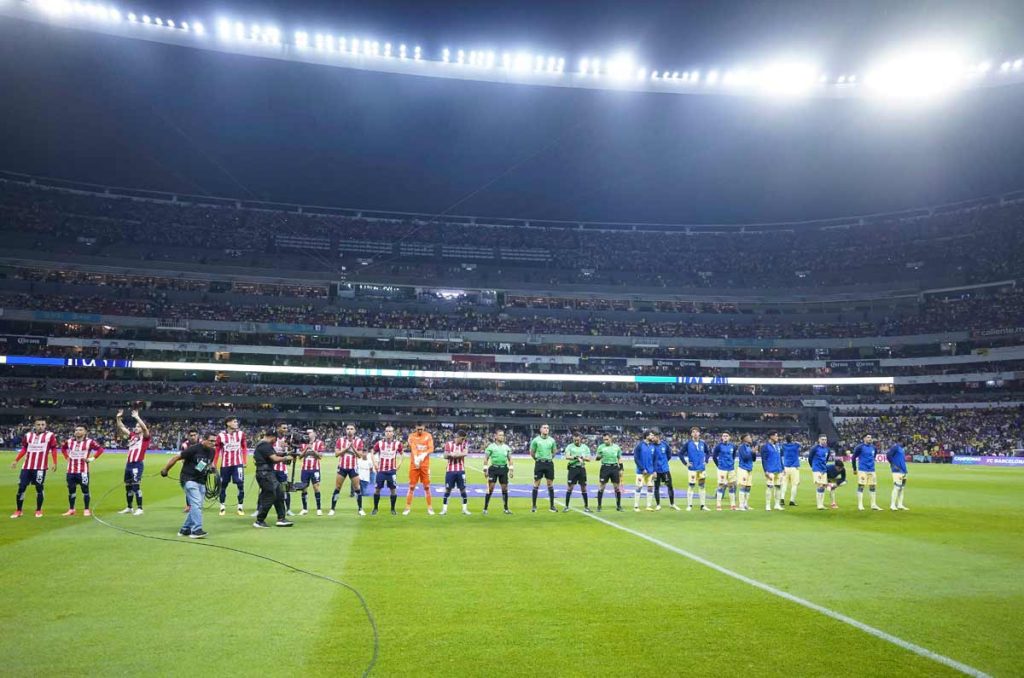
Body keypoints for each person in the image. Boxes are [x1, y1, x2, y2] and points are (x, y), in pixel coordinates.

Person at [160, 431, 217, 539]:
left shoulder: (212, 451)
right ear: (204, 439)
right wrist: (165, 470)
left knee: (197, 505)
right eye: (211, 441)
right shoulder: (194, 449)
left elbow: (206, 464)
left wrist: (212, 468)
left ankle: (185, 529)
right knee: (196, 503)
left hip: (201, 481)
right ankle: (196, 530)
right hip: (188, 479)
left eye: (215, 441)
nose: (213, 443)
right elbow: (176, 458)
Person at [10, 418, 58, 519]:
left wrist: (54, 462)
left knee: (39, 488)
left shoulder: (50, 435)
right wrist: (16, 460)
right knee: (21, 488)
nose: (40, 426)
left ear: (45, 425)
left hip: (40, 467)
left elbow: (53, 449)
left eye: (42, 424)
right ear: (35, 425)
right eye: (38, 424)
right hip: (27, 467)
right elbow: (24, 448)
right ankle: (19, 510)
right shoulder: (28, 435)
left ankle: (38, 510)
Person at [251, 430, 295, 528]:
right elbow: (274, 458)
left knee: (279, 493)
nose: (275, 442)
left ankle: (281, 518)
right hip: (265, 474)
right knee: (270, 495)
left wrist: (283, 455)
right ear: (272, 437)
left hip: (267, 473)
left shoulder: (263, 445)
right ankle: (259, 520)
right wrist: (286, 458)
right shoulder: (264, 445)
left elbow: (272, 458)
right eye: (275, 439)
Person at [61, 425, 104, 517]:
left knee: (85, 490)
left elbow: (100, 449)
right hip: (70, 471)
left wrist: (92, 459)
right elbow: (63, 448)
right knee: (71, 490)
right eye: (76, 430)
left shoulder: (90, 442)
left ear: (85, 432)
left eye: (80, 430)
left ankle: (86, 509)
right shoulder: (69, 441)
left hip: (83, 471)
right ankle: (71, 509)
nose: (78, 431)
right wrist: (66, 457)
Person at [115, 409, 150, 515]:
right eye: (136, 426)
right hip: (129, 465)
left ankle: (140, 508)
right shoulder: (132, 436)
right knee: (128, 486)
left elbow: (144, 428)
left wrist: (137, 417)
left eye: (138, 426)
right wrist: (118, 417)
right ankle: (129, 507)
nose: (137, 427)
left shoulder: (145, 438)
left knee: (136, 486)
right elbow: (121, 427)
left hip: (137, 464)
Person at [215, 417, 248, 517]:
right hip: (225, 465)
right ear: (228, 423)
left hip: (238, 464)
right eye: (234, 421)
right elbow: (217, 450)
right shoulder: (221, 436)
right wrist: (214, 463)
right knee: (223, 486)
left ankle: (240, 507)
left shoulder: (241, 434)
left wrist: (245, 461)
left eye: (236, 421)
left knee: (240, 486)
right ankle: (222, 507)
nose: (236, 423)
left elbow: (244, 447)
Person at [332, 424, 365, 515]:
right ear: (345, 430)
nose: (349, 430)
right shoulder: (340, 440)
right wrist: (346, 449)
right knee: (338, 487)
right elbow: (336, 454)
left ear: (355, 431)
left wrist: (353, 448)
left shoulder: (359, 441)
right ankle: (332, 509)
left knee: (357, 488)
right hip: (342, 467)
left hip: (353, 467)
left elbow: (360, 455)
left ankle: (360, 509)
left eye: (351, 429)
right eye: (348, 429)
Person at [371, 425, 404, 516]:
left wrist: (399, 463)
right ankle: (375, 508)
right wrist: (374, 463)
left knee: (393, 490)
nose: (388, 433)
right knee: (377, 489)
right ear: (384, 433)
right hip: (381, 471)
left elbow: (402, 453)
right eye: (387, 431)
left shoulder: (397, 444)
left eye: (390, 431)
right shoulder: (379, 443)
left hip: (391, 471)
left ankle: (393, 509)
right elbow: (372, 452)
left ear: (393, 433)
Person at [404, 423, 434, 516]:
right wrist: (416, 457)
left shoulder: (428, 436)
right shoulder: (411, 436)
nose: (420, 431)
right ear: (415, 428)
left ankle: (430, 508)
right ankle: (407, 508)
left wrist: (424, 454)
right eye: (418, 429)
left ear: (424, 428)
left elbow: (431, 448)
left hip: (425, 466)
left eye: (421, 429)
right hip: (414, 465)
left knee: (427, 487)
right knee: (412, 487)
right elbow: (413, 448)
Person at [482, 429, 514, 515]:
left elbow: (510, 459)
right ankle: (485, 508)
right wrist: (485, 469)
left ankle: (506, 509)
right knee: (491, 488)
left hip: (503, 469)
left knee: (504, 488)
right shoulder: (491, 446)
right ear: (495, 436)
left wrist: (511, 470)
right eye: (500, 435)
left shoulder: (506, 447)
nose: (502, 437)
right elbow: (486, 458)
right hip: (494, 469)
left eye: (503, 435)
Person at [441, 429, 471, 515]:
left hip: (461, 470)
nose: (464, 441)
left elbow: (465, 453)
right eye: (462, 439)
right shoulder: (448, 444)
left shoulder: (464, 444)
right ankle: (444, 510)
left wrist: (455, 454)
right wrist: (451, 454)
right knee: (447, 490)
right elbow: (445, 456)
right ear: (457, 437)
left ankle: (464, 509)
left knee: (463, 489)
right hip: (450, 470)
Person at [529, 424, 557, 513]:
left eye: (548, 428)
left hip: (549, 464)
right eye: (544, 428)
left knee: (550, 484)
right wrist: (537, 459)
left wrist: (549, 458)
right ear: (540, 430)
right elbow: (532, 452)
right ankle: (534, 506)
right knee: (536, 483)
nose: (546, 429)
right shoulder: (536, 440)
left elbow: (554, 452)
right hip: (539, 463)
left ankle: (552, 506)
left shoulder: (552, 440)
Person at [852, 434, 883, 511]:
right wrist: (854, 469)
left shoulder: (874, 448)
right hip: (862, 469)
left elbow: (874, 457)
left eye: (871, 437)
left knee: (872, 486)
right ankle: (860, 505)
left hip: (871, 470)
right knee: (861, 486)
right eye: (868, 437)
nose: (870, 439)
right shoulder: (860, 447)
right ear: (864, 438)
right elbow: (853, 457)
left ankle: (873, 505)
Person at [562, 431, 592, 512]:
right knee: (570, 488)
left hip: (581, 469)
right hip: (573, 469)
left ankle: (586, 507)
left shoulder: (585, 447)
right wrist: (576, 457)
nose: (576, 442)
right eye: (575, 440)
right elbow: (567, 456)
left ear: (581, 439)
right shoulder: (570, 446)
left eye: (578, 440)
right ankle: (566, 506)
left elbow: (589, 459)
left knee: (583, 488)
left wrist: (582, 458)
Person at [682, 427, 709, 511]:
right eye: (693, 432)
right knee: (691, 485)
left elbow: (708, 452)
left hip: (701, 469)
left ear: (699, 433)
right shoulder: (688, 443)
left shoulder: (703, 443)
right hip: (692, 469)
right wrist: (686, 463)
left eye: (697, 432)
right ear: (691, 434)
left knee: (702, 486)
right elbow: (680, 454)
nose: (695, 433)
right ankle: (689, 505)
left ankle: (703, 505)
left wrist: (706, 460)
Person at [298, 429, 325, 516]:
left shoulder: (319, 443)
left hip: (315, 469)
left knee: (316, 487)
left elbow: (320, 456)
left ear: (314, 434)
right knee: (304, 488)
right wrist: (306, 448)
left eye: (310, 432)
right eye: (307, 433)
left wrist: (313, 450)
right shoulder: (303, 443)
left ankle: (319, 508)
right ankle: (305, 509)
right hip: (305, 469)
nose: (308, 434)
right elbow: (300, 456)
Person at [595, 433, 624, 512]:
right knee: (602, 487)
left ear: (611, 438)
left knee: (617, 488)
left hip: (614, 468)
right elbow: (597, 458)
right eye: (604, 439)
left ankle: (618, 506)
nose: (605, 441)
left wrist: (621, 469)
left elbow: (619, 458)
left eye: (607, 439)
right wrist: (599, 457)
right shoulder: (601, 447)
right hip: (605, 467)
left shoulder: (616, 447)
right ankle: (599, 506)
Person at [652, 430, 679, 511]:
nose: (653, 438)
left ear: (658, 437)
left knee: (670, 486)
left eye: (655, 436)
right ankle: (658, 505)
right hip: (656, 471)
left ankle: (672, 504)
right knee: (656, 487)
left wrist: (664, 462)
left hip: (665, 470)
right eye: (653, 437)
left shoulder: (664, 445)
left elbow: (669, 454)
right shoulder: (652, 446)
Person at [711, 432, 738, 511]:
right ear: (722, 437)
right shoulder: (719, 446)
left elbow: (733, 456)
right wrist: (718, 465)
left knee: (731, 486)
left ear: (729, 437)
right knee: (721, 485)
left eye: (726, 436)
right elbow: (714, 456)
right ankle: (718, 504)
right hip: (722, 469)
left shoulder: (733, 446)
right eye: (723, 436)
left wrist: (731, 463)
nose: (725, 437)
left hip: (731, 468)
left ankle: (733, 505)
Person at [273, 422, 295, 516]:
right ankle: (259, 508)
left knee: (285, 489)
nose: (286, 430)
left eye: (286, 428)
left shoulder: (288, 440)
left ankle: (288, 509)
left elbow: (291, 455)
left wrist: (289, 449)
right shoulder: (272, 438)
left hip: (282, 469)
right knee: (266, 489)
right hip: (272, 468)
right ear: (278, 428)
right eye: (284, 428)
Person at [632, 431, 657, 512]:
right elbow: (636, 458)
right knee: (639, 487)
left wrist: (654, 471)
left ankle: (648, 506)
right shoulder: (639, 445)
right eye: (651, 435)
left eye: (653, 435)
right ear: (646, 436)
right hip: (641, 471)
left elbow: (654, 460)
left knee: (650, 487)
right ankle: (636, 506)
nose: (653, 437)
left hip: (650, 471)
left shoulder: (653, 446)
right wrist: (642, 468)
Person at [760, 431, 784, 511]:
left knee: (778, 487)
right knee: (769, 487)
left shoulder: (778, 446)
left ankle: (777, 504)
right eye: (776, 436)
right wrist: (765, 470)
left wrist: (783, 468)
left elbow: (780, 458)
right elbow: (764, 459)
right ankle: (768, 505)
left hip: (779, 469)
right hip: (770, 470)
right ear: (771, 437)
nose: (777, 437)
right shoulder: (765, 447)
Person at [808, 435, 832, 511]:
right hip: (817, 469)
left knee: (824, 486)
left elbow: (827, 459)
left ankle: (821, 504)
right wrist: (813, 467)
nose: (824, 441)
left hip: (824, 469)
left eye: (825, 439)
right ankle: (819, 505)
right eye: (822, 439)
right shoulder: (814, 448)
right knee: (820, 485)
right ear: (819, 440)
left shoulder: (827, 449)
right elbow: (810, 458)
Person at [886, 441, 909, 511]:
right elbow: (888, 455)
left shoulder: (902, 449)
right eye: (904, 440)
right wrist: (893, 464)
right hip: (897, 470)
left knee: (902, 488)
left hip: (903, 470)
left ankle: (900, 504)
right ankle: (892, 505)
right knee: (896, 487)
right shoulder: (895, 447)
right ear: (900, 441)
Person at [780, 434, 802, 506]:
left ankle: (782, 499)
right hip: (794, 467)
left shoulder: (784, 446)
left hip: (786, 467)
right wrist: (794, 441)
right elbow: (800, 445)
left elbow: (781, 449)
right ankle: (792, 501)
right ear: (792, 439)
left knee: (784, 484)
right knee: (794, 485)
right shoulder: (796, 445)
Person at [736, 433, 756, 511]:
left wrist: (754, 452)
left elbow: (753, 459)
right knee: (743, 486)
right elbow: (744, 457)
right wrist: (752, 452)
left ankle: (746, 504)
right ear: (745, 439)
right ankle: (741, 505)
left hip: (749, 469)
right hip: (743, 469)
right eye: (749, 437)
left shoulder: (749, 447)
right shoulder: (742, 447)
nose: (751, 438)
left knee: (748, 487)